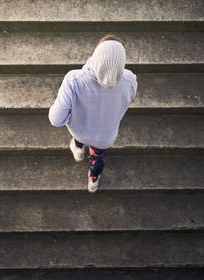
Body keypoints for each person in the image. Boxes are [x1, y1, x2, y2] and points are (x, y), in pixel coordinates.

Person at [48, 34, 138, 193]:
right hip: (105, 136)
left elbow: (56, 120)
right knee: (98, 157)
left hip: (79, 130)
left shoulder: (74, 80)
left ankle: (78, 151)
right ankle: (93, 181)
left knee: (79, 138)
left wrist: (74, 115)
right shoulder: (130, 80)